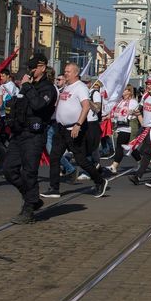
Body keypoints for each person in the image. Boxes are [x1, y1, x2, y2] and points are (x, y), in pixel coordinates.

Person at [41, 62, 108, 199]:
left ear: (76, 73)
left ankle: (100, 181)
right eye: (65, 71)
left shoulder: (81, 87)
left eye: (68, 71)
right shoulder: (66, 87)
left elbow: (86, 107)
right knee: (54, 157)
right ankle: (54, 188)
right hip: (61, 129)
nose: (65, 73)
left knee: (81, 160)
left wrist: (78, 124)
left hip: (74, 129)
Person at [4, 54, 58, 224]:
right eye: (29, 68)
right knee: (9, 170)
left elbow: (38, 105)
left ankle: (28, 210)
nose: (30, 71)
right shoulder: (27, 86)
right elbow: (18, 106)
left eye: (33, 68)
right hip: (18, 133)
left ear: (42, 68)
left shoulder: (48, 88)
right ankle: (32, 198)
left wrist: (27, 87)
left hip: (34, 135)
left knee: (29, 172)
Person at [108, 85, 140, 174]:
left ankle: (114, 166)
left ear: (130, 92)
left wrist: (131, 112)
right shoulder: (121, 102)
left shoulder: (133, 102)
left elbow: (135, 113)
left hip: (128, 127)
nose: (123, 91)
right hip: (119, 127)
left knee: (120, 146)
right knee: (130, 147)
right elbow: (115, 113)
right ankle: (141, 162)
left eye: (125, 90)